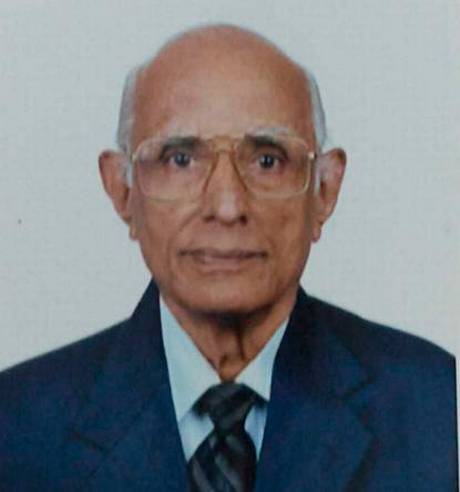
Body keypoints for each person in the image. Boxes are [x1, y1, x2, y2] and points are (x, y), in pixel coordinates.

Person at [0, 24, 456, 491]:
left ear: (325, 189)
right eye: (180, 159)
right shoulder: (16, 426)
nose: (227, 206)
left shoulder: (435, 405)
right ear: (122, 189)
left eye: (267, 161)